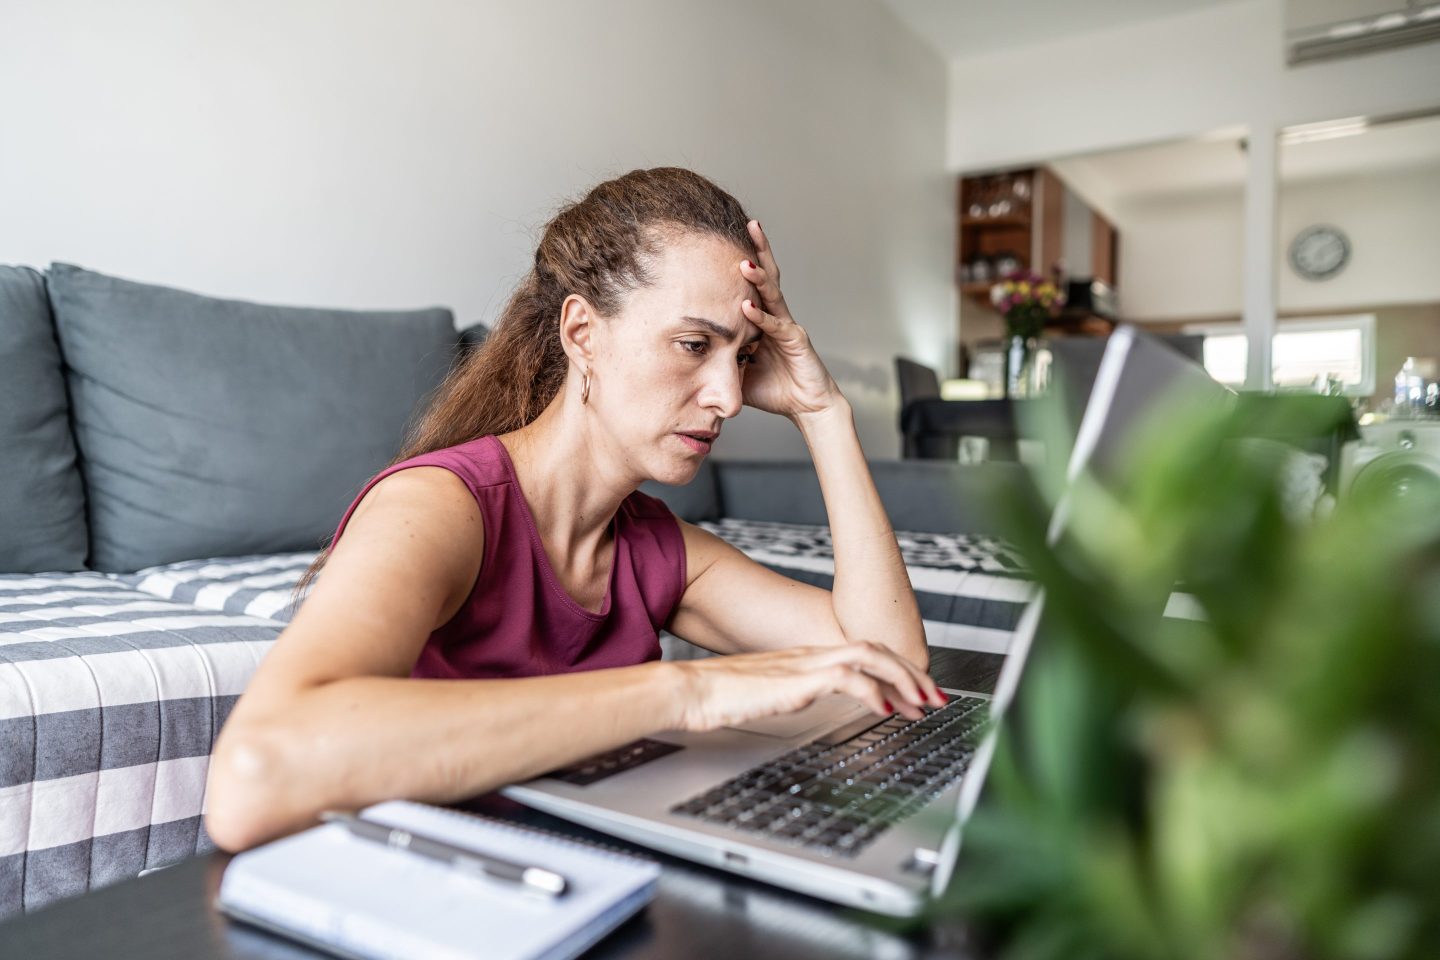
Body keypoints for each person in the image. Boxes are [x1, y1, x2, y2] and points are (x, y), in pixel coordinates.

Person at [205, 168, 943, 852]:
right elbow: (252, 779)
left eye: (744, 357)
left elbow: (892, 666)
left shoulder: (656, 547)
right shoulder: (440, 508)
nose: (728, 397)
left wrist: (823, 412)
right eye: (694, 344)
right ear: (582, 332)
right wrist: (686, 689)